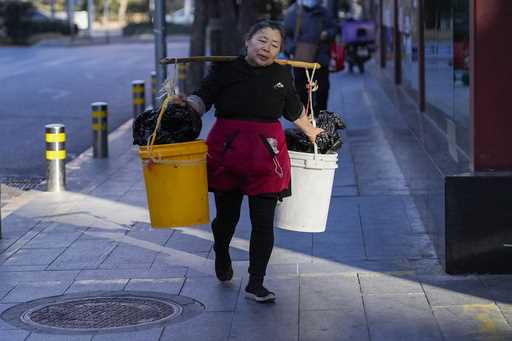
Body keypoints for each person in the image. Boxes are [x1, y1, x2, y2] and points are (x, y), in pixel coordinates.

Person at [171, 20, 323, 303]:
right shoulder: (225, 70)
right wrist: (187, 104)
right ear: (248, 41)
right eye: (262, 40)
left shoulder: (281, 73)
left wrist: (310, 130)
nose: (267, 48)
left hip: (268, 155)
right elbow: (202, 97)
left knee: (263, 222)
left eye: (274, 45)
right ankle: (221, 250)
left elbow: (294, 110)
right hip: (227, 152)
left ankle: (256, 282)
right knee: (227, 218)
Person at [284, 0, 336, 115]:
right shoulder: (293, 13)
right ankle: (305, 118)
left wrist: (327, 34)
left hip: (320, 58)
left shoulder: (324, 12)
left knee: (322, 89)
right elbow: (286, 35)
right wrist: (292, 48)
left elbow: (333, 30)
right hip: (300, 58)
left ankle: (321, 116)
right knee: (301, 90)